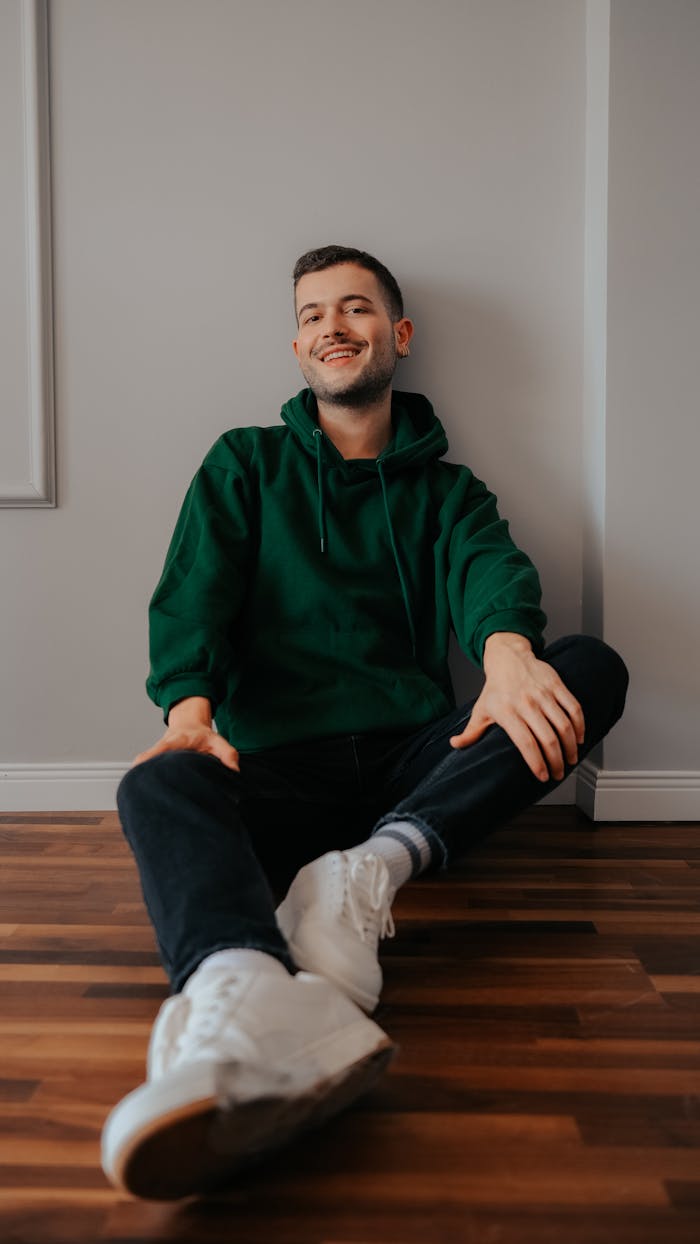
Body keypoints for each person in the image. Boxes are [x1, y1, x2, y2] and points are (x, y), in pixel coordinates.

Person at [101, 245, 628, 1199]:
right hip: (277, 768)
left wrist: (508, 650)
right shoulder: (245, 463)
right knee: (158, 779)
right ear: (298, 345)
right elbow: (194, 602)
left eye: (356, 308)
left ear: (400, 335)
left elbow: (491, 575)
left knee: (588, 668)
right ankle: (239, 987)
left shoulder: (447, 490)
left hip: (410, 770)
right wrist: (189, 716)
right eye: (312, 314)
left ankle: (366, 874)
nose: (332, 326)